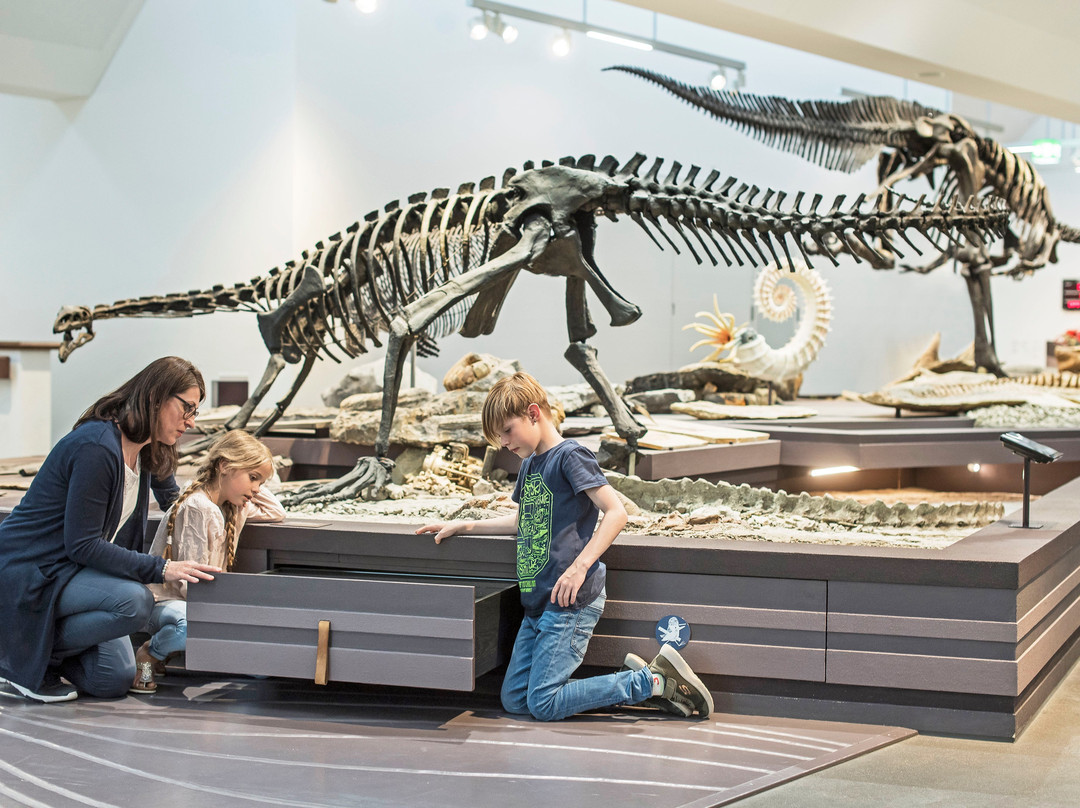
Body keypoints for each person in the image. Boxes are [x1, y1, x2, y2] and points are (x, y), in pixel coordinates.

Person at [417, 371, 713, 721]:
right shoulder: (529, 465)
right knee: (515, 700)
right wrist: (464, 525)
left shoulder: (571, 456)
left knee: (543, 704)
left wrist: (579, 567)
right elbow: (522, 519)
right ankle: (637, 681)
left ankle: (653, 681)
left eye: (507, 431)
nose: (504, 443)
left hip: (569, 602)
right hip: (537, 604)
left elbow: (616, 512)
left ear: (533, 413)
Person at [0, 356, 221, 703]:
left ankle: (32, 651)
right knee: (135, 602)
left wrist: (234, 498)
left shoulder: (150, 449)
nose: (191, 421)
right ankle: (17, 655)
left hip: (76, 572)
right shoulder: (97, 448)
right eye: (187, 408)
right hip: (34, 571)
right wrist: (162, 568)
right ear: (156, 397)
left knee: (111, 679)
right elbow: (82, 545)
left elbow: (178, 504)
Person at [132, 429, 285, 693]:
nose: (257, 489)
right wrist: (224, 615)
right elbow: (188, 584)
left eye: (261, 483)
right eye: (252, 478)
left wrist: (252, 483)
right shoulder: (197, 507)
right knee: (189, 626)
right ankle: (149, 654)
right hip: (169, 602)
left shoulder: (234, 507)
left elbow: (276, 512)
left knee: (260, 671)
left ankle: (177, 648)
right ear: (224, 466)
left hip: (204, 603)